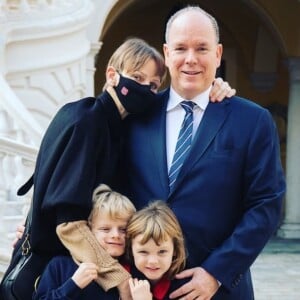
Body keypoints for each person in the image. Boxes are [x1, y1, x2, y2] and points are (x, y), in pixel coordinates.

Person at [3, 36, 235, 299]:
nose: (144, 89)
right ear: (112, 75)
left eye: (152, 85)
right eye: (136, 78)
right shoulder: (87, 121)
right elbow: (67, 221)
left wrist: (214, 88)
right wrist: (119, 281)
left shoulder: (117, 126)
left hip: (86, 263)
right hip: (63, 271)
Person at [119, 6, 286, 300]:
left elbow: (266, 205)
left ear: (218, 54)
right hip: (140, 288)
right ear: (167, 53)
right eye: (181, 48)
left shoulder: (252, 121)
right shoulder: (135, 117)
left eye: (202, 48)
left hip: (218, 291)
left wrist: (216, 273)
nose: (191, 59)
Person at [33, 184, 136, 300]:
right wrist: (73, 285)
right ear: (90, 230)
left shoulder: (133, 273)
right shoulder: (60, 265)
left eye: (123, 229)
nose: (116, 235)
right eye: (105, 229)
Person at [126, 200, 187, 300]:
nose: (153, 261)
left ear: (175, 250)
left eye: (162, 252)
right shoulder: (121, 277)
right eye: (143, 252)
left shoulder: (185, 288)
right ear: (131, 249)